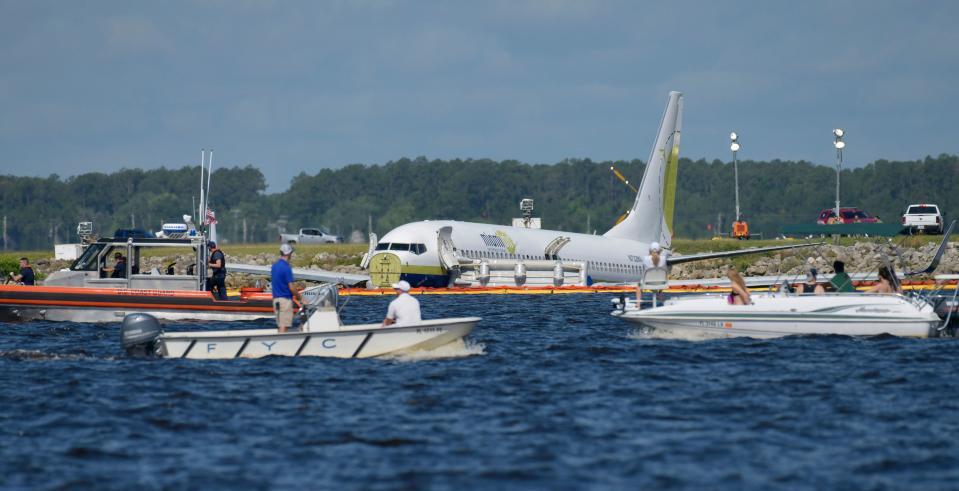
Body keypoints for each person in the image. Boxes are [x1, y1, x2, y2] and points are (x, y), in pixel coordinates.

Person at [271, 243, 300, 333]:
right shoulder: (286, 268)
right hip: (285, 300)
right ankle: (281, 345)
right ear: (289, 254)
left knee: (281, 325)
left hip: (276, 300)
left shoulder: (274, 266)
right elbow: (291, 287)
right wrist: (300, 298)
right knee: (284, 326)